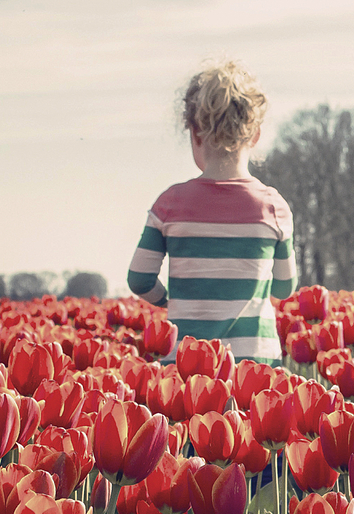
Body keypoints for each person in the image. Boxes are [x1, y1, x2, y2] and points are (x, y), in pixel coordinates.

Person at [127, 59, 298, 366]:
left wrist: (170, 301)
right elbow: (285, 287)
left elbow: (139, 279)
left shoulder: (170, 204)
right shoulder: (273, 207)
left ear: (195, 134)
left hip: (185, 361)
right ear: (256, 134)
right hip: (254, 363)